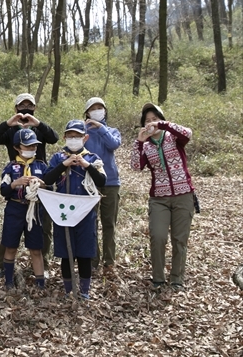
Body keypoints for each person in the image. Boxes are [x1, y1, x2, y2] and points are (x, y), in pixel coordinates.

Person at [0, 93, 59, 277]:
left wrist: (38, 123)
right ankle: (1, 266)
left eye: (29, 105)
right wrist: (8, 123)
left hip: (39, 178)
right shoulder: (12, 131)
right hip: (17, 178)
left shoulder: (39, 128)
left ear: (34, 108)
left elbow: (55, 138)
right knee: (10, 233)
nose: (25, 108)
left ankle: (43, 265)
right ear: (16, 109)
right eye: (22, 106)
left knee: (43, 227)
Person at [131, 103, 196, 291]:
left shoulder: (174, 137)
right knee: (158, 236)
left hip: (184, 195)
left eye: (154, 119)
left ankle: (177, 279)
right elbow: (136, 166)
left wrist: (164, 125)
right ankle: (158, 278)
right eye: (147, 121)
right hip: (159, 198)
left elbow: (188, 133)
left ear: (161, 119)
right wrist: (139, 142)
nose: (151, 123)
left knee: (179, 239)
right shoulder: (146, 145)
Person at [43, 120, 106, 299]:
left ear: (85, 138)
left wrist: (86, 165)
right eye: (70, 136)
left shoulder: (93, 158)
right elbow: (48, 179)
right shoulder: (57, 158)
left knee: (85, 252)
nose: (73, 139)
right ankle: (69, 290)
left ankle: (84, 291)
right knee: (65, 251)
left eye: (77, 136)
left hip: (86, 212)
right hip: (63, 212)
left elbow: (101, 181)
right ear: (64, 137)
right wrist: (65, 164)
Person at [0, 129, 49, 290]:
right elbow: (3, 190)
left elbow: (52, 186)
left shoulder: (41, 166)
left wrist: (42, 184)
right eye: (27, 146)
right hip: (15, 208)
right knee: (11, 246)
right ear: (17, 148)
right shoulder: (10, 167)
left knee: (35, 248)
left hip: (35, 210)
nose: (31, 149)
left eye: (34, 145)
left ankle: (40, 284)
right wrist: (16, 183)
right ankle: (8, 282)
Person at [83, 97, 122, 272]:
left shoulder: (112, 131)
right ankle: (92, 260)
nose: (97, 110)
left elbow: (113, 145)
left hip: (111, 182)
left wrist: (101, 128)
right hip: (89, 181)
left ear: (105, 111)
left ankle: (109, 261)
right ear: (87, 112)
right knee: (91, 221)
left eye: (100, 108)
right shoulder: (82, 131)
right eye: (93, 108)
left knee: (109, 223)